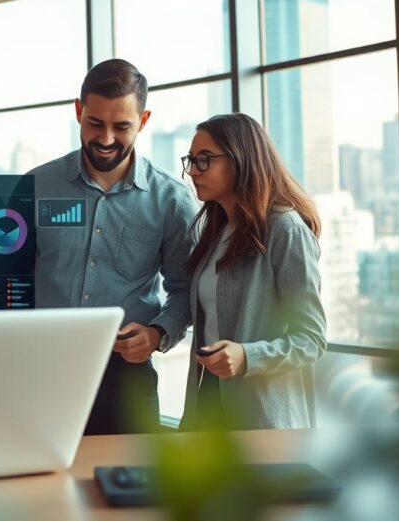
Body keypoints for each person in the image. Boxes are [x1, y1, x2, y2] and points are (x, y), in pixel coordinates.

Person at [29, 59, 198, 435]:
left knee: (129, 474)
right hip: (41, 371)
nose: (106, 139)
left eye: (121, 126)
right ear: (78, 111)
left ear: (143, 120)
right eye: (95, 123)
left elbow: (187, 289)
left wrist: (157, 333)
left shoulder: (171, 200)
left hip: (127, 380)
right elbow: (6, 279)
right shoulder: (34, 187)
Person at [179, 113, 327, 431]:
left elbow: (311, 339)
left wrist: (247, 356)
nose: (192, 171)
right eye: (191, 160)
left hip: (262, 415)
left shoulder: (285, 229)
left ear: (240, 159)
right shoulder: (216, 229)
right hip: (207, 401)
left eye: (204, 160)